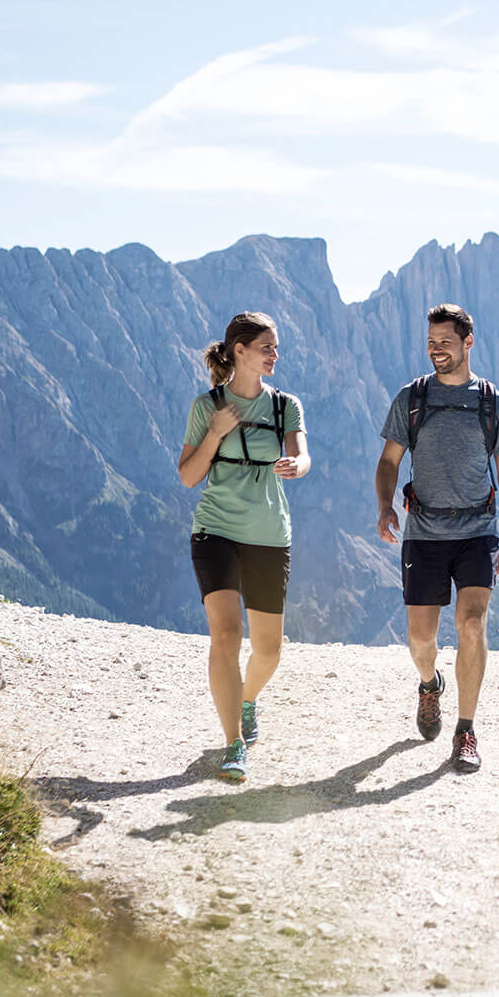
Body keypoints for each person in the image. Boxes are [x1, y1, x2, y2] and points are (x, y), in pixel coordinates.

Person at [374, 303, 499, 772]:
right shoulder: (412, 398)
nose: (437, 350)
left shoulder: (491, 403)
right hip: (424, 533)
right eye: (431, 343)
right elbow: (389, 461)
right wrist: (384, 505)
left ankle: (465, 731)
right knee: (421, 641)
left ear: (468, 343)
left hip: (477, 531)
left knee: (472, 624)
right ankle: (429, 684)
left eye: (446, 342)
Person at [177, 311, 309, 783]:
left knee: (269, 651)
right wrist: (215, 432)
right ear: (240, 351)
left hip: (270, 535)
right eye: (268, 347)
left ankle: (247, 701)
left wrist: (298, 463)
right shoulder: (206, 406)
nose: (276, 354)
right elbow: (189, 476)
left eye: (275, 347)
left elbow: (302, 452)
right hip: (215, 531)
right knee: (227, 636)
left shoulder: (285, 406)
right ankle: (233, 743)